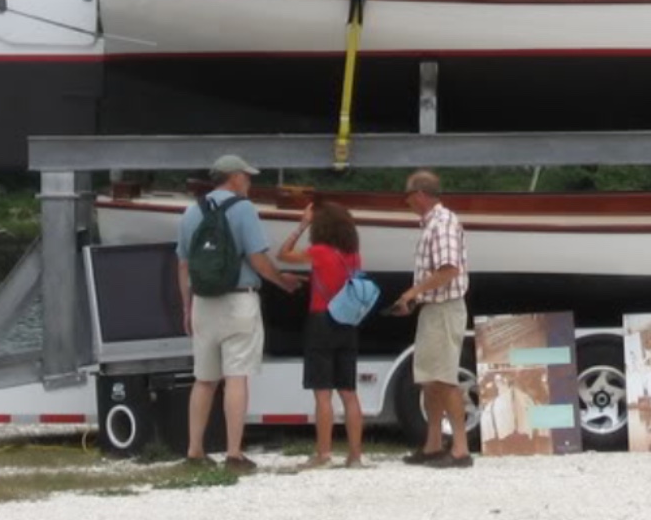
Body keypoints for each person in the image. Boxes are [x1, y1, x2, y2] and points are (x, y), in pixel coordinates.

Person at [174, 153, 301, 472]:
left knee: (203, 380)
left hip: (203, 303)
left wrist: (187, 306)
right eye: (247, 176)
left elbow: (183, 263)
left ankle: (195, 451)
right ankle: (233, 453)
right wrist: (282, 282)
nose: (250, 181)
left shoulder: (191, 212)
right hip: (238, 301)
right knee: (236, 378)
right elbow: (257, 259)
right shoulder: (243, 210)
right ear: (234, 178)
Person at [387, 168, 472, 468]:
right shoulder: (432, 224)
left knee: (445, 379)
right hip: (434, 308)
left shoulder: (443, 223)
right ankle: (433, 444)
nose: (406, 202)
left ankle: (460, 449)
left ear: (420, 194)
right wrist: (417, 299)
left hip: (445, 309)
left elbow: (449, 269)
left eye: (408, 196)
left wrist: (412, 293)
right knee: (430, 380)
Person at [276, 199, 367, 468]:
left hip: (321, 322)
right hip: (348, 323)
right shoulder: (354, 256)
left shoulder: (319, 252)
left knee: (323, 393)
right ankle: (355, 455)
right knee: (349, 392)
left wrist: (302, 225)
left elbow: (283, 254)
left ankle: (324, 454)